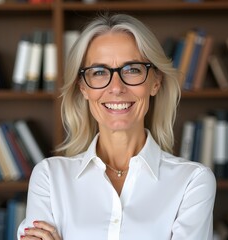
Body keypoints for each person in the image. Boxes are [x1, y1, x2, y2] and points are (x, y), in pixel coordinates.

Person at [18, 13, 216, 240]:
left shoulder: (193, 181)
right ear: (83, 88)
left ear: (155, 82)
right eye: (99, 72)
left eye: (132, 69)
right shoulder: (50, 177)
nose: (116, 87)